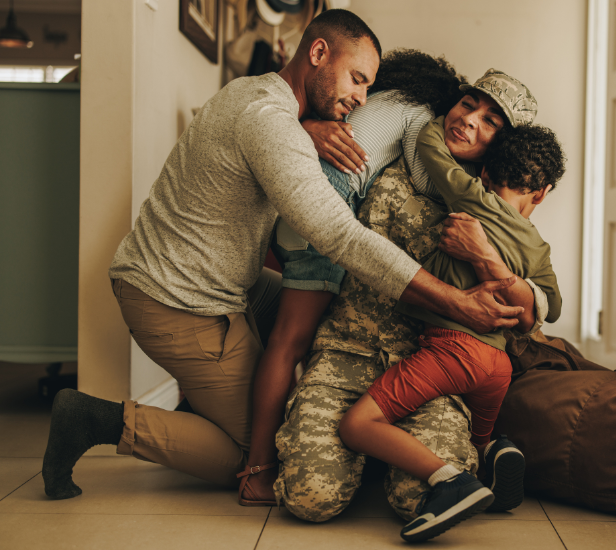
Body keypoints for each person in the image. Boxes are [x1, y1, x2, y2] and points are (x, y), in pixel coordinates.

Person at [40, 10, 525, 501]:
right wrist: (454, 302)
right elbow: (339, 234)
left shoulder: (258, 94)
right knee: (265, 447)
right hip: (177, 301)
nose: (360, 99)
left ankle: (220, 402)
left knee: (320, 317)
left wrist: (309, 127)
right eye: (356, 80)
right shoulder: (269, 121)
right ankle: (96, 420)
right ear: (317, 53)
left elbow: (279, 137)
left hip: (227, 283)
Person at [274, 70, 560, 525]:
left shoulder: (495, 203)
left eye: (490, 122)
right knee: (311, 497)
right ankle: (364, 458)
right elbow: (300, 161)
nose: (468, 121)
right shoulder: (387, 151)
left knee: (420, 498)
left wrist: (486, 257)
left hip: (428, 365)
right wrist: (309, 127)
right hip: (346, 351)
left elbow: (532, 311)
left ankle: (398, 458)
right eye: (468, 105)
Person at [240, 49, 481, 506]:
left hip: (291, 213)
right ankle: (258, 470)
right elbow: (422, 170)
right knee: (291, 341)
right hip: (326, 209)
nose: (463, 122)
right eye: (462, 107)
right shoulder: (420, 115)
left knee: (285, 343)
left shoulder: (373, 102)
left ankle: (266, 461)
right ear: (444, 99)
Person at [339, 111, 566, 542]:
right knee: (478, 438)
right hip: (498, 366)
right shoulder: (538, 247)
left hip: (453, 350)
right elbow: (550, 308)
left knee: (356, 426)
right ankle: (492, 452)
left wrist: (441, 112)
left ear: (483, 171)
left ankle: (450, 481)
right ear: (543, 191)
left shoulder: (472, 198)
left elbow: (430, 145)